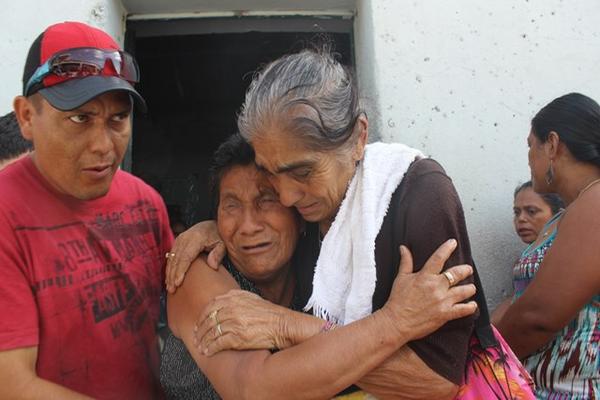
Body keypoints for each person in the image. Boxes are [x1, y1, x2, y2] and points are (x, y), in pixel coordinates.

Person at [167, 48, 483, 399]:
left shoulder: (417, 196)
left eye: (301, 172)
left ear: (359, 137)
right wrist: (211, 226)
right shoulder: (301, 217)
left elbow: (435, 381)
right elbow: (252, 385)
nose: (287, 196)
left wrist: (284, 325)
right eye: (272, 176)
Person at [0, 21, 173, 399]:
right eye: (80, 118)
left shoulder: (146, 203)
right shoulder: (5, 213)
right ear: (27, 116)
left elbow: (183, 300)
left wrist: (207, 233)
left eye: (118, 119)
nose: (103, 146)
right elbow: (11, 385)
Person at [496, 93, 600, 399]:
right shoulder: (569, 213)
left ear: (552, 144)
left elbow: (538, 317)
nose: (528, 158)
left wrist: (481, 355)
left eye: (531, 145)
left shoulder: (595, 202)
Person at [491, 181, 564, 323]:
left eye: (531, 211)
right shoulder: (524, 260)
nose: (521, 219)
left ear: (558, 216)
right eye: (516, 212)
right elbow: (517, 299)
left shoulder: (563, 255)